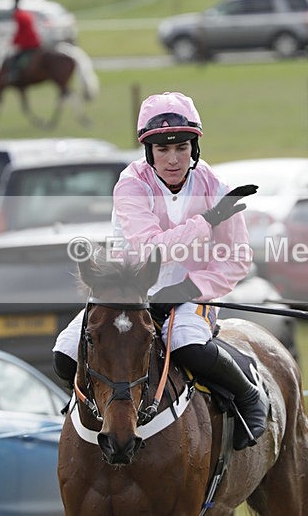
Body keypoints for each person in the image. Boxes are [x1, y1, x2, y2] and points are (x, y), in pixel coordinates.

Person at [52, 91, 268, 450]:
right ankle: (97, 407)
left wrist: (187, 289)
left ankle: (249, 395)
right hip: (128, 292)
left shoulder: (217, 188)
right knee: (64, 354)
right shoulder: (131, 184)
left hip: (191, 295)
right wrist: (208, 220)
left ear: (194, 147)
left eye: (181, 147)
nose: (173, 159)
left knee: (187, 345)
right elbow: (151, 249)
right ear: (148, 151)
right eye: (162, 149)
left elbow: (237, 259)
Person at [8, 0, 41, 82]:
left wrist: (13, 41)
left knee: (15, 59)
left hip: (28, 43)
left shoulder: (18, 15)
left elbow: (19, 31)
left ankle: (14, 75)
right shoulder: (26, 13)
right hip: (35, 41)